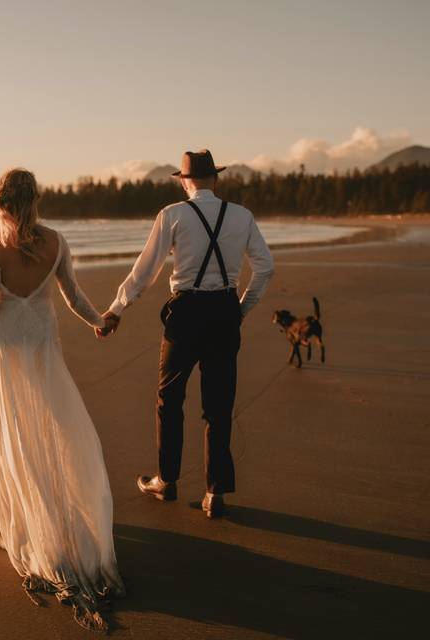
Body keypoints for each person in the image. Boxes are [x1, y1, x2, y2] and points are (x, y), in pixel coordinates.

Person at [0, 168, 123, 633]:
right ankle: (55, 511)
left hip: (5, 347)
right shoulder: (56, 241)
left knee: (12, 430)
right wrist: (98, 321)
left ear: (1, 203)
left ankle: (28, 517)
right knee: (50, 426)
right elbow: (72, 294)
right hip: (43, 346)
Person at [98, 149, 275, 518]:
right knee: (219, 404)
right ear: (217, 178)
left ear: (184, 181)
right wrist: (240, 308)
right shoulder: (241, 215)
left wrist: (116, 309)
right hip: (225, 311)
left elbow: (145, 272)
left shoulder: (173, 215)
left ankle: (167, 480)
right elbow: (265, 268)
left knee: (169, 399)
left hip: (187, 314)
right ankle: (215, 494)